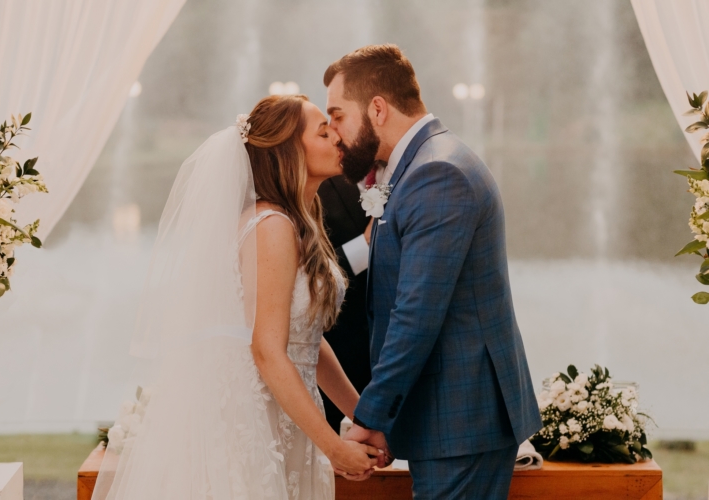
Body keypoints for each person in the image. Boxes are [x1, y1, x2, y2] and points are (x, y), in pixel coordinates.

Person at [91, 95, 379, 500]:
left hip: (290, 415)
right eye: (323, 131)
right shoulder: (272, 226)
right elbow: (266, 350)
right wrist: (333, 448)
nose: (338, 137)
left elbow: (308, 341)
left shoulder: (299, 221)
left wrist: (364, 415)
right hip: (255, 422)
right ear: (288, 150)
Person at [326, 44, 543, 499]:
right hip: (448, 419)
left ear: (378, 109)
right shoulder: (420, 165)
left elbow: (415, 317)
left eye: (338, 115)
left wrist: (370, 418)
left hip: (460, 421)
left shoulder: (436, 172)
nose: (334, 131)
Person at [317, 175, 373, 433]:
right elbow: (309, 276)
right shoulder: (316, 183)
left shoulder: (406, 175)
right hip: (338, 356)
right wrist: (366, 245)